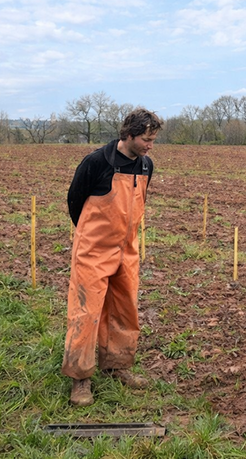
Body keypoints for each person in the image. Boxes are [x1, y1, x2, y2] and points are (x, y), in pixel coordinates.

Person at [62, 108, 163, 406]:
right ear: (128, 135)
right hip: (93, 250)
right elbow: (75, 202)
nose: (150, 146)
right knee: (86, 312)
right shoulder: (96, 162)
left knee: (124, 309)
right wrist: (91, 237)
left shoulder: (146, 166)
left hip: (127, 250)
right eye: (146, 139)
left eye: (153, 140)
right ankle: (80, 379)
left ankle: (117, 367)